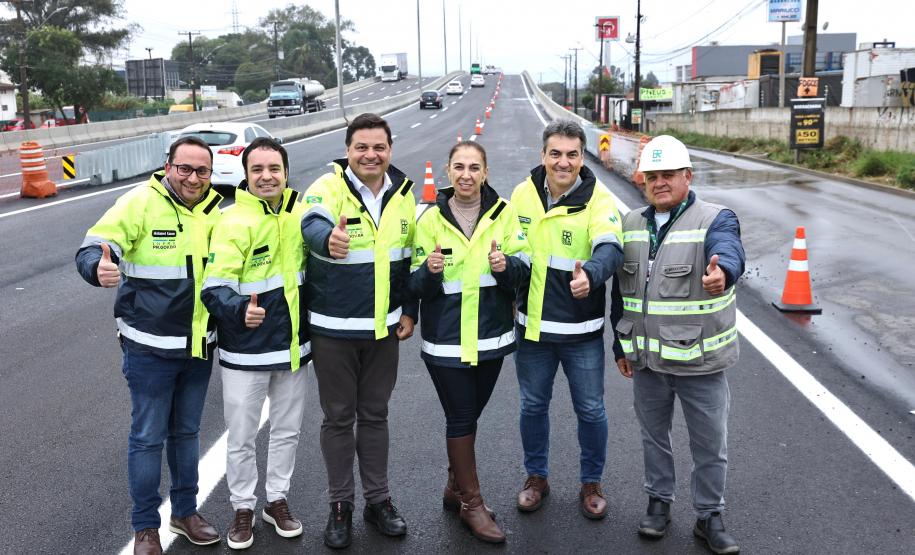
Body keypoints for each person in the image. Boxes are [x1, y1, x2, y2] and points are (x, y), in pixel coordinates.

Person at [75, 136, 223, 555]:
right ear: (168, 166)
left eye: (202, 171)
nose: (193, 178)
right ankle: (145, 527)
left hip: (197, 347)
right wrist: (96, 267)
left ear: (211, 174)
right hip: (148, 350)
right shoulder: (140, 202)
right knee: (147, 437)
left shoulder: (217, 212)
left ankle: (185, 511)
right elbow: (93, 247)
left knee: (187, 434)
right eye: (185, 168)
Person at [610, 135, 745, 554]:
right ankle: (658, 503)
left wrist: (724, 274)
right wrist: (621, 346)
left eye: (669, 175)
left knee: (708, 443)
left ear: (688, 176)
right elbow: (622, 291)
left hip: (700, 361)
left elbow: (730, 251)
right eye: (653, 176)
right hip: (648, 360)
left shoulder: (715, 219)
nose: (660, 183)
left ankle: (710, 516)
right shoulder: (631, 222)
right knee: (654, 438)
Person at [300, 113, 417, 549]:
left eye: (379, 147)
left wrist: (410, 310)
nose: (371, 155)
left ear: (390, 150)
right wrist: (326, 239)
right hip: (333, 329)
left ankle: (378, 501)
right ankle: (339, 506)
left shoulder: (403, 195)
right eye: (362, 147)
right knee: (337, 419)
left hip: (384, 329)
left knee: (375, 416)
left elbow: (409, 259)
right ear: (348, 150)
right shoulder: (327, 187)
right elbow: (310, 222)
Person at [410, 141, 530, 544]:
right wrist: (428, 271)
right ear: (447, 172)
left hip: (491, 339)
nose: (466, 174)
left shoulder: (504, 214)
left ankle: (453, 486)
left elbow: (524, 271)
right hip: (444, 345)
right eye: (458, 167)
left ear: (485, 172)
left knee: (471, 416)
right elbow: (412, 284)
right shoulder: (428, 221)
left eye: (474, 167)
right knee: (461, 418)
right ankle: (472, 505)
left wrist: (506, 266)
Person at [510, 119, 624, 520]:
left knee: (591, 410)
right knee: (532, 407)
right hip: (532, 330)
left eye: (572, 154)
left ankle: (591, 482)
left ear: (582, 157)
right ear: (543, 155)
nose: (563, 162)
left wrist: (591, 275)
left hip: (581, 332)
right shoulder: (522, 194)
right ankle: (536, 477)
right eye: (555, 154)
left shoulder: (600, 199)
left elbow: (610, 248)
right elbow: (512, 253)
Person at [200, 138, 310, 550]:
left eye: (274, 169)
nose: (267, 177)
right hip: (245, 350)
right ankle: (242, 507)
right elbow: (214, 287)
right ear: (246, 175)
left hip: (294, 348)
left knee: (286, 431)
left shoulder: (302, 212)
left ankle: (276, 500)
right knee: (242, 435)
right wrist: (237, 311)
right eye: (258, 169)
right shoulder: (232, 221)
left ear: (285, 172)